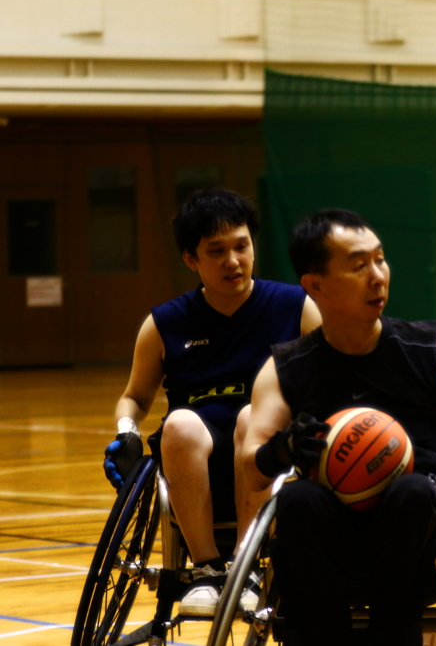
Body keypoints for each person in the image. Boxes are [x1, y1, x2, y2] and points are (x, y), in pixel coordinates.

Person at [242, 208, 436, 646]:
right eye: (358, 264)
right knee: (296, 499)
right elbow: (250, 470)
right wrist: (280, 451)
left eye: (380, 259)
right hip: (332, 551)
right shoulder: (286, 368)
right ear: (315, 286)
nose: (377, 275)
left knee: (412, 490)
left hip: (424, 547)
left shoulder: (431, 349)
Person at [102, 188, 321, 616]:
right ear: (191, 259)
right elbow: (134, 397)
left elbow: (326, 383)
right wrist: (126, 433)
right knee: (179, 423)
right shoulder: (164, 323)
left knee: (251, 415)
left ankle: (245, 567)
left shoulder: (296, 308)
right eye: (216, 251)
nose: (233, 261)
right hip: (195, 446)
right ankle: (205, 570)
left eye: (241, 246)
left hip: (271, 447)